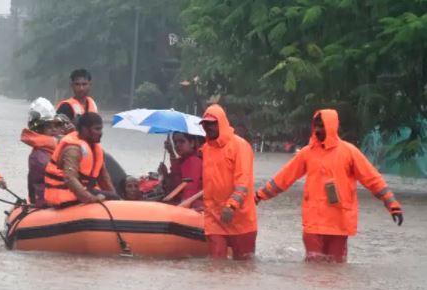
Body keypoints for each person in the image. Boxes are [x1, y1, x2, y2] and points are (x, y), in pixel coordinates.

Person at [256, 109, 404, 263]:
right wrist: (259, 195)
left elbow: (372, 179)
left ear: (333, 126)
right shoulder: (307, 153)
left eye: (322, 125)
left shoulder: (349, 152)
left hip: (339, 223)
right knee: (313, 270)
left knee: (336, 272)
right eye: (316, 126)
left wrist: (392, 204)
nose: (318, 130)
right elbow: (284, 178)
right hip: (314, 223)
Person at [200, 104, 257, 260]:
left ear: (222, 123)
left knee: (244, 267)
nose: (207, 127)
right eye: (205, 123)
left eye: (212, 123)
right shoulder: (205, 149)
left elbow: (243, 180)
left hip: (241, 218)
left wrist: (232, 205)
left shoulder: (240, 146)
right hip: (214, 218)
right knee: (216, 266)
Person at [44, 112, 118, 207]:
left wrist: (115, 199)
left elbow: (103, 177)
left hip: (84, 191)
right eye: (97, 129)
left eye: (101, 129)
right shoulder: (72, 149)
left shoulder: (95, 149)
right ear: (85, 130)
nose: (100, 133)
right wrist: (91, 199)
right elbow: (70, 178)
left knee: (113, 195)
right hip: (65, 196)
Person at [20, 97, 63, 207]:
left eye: (56, 125)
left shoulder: (59, 149)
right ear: (40, 129)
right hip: (47, 204)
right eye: (49, 126)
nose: (54, 130)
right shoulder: (38, 157)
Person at [158, 132, 203, 206]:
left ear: (192, 143)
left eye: (182, 141)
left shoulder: (193, 161)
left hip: (193, 206)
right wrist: (165, 174)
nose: (177, 145)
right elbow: (175, 183)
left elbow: (189, 191)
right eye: (175, 142)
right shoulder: (183, 160)